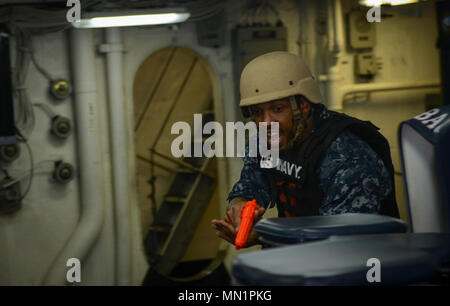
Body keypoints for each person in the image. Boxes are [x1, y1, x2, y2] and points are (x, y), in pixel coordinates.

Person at [211, 51, 399, 248]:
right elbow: (251, 184)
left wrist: (261, 235)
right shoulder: (266, 143)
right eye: (258, 112)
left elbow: (338, 241)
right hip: (300, 254)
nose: (266, 123)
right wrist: (238, 207)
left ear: (303, 105)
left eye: (277, 109)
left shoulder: (347, 158)